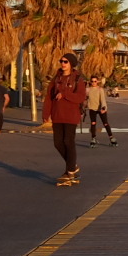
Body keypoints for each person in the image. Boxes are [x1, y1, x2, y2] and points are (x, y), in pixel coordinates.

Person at [44, 53, 87, 187]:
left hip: (71, 115)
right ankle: (72, 166)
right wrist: (46, 114)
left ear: (71, 64)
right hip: (57, 115)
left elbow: (80, 97)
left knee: (68, 141)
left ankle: (69, 171)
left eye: (65, 62)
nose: (62, 64)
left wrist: (65, 94)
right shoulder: (56, 78)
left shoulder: (78, 79)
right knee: (58, 143)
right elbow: (48, 97)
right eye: (61, 61)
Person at [85, 75, 117, 147]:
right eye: (92, 81)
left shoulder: (100, 89)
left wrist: (103, 108)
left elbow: (102, 99)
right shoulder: (88, 90)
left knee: (105, 123)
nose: (93, 83)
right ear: (90, 82)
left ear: (97, 82)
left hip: (100, 108)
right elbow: (84, 98)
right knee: (93, 123)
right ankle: (93, 138)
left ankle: (111, 138)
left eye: (95, 81)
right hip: (92, 108)